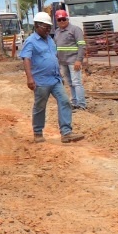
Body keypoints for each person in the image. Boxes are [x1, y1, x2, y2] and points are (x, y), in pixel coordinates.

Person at [19, 11, 83, 144]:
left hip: (55, 79)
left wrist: (58, 72)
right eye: (45, 27)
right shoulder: (31, 41)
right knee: (40, 106)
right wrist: (29, 79)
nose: (48, 30)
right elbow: (26, 59)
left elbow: (53, 57)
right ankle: (38, 132)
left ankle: (66, 133)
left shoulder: (50, 40)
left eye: (49, 27)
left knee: (65, 101)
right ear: (37, 26)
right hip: (41, 81)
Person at [53, 10, 87, 109]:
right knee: (70, 83)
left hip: (73, 61)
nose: (62, 21)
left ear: (67, 19)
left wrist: (79, 60)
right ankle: (74, 103)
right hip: (63, 62)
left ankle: (81, 104)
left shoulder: (75, 30)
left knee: (76, 83)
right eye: (59, 20)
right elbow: (56, 46)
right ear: (57, 21)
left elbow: (81, 45)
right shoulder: (57, 32)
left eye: (64, 19)